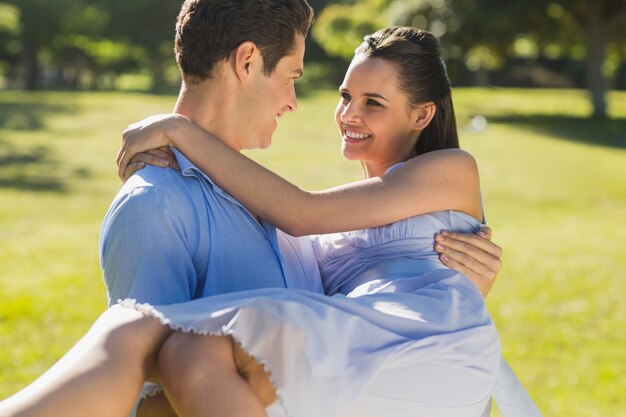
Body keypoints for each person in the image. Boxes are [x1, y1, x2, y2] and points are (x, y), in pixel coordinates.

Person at [0, 25, 539, 417]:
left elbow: (301, 213)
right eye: (346, 96)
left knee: (142, 332)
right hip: (361, 355)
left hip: (421, 348)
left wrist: (180, 131)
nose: (348, 114)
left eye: (373, 102)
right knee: (182, 354)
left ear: (422, 115)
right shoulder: (353, 213)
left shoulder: (451, 168)